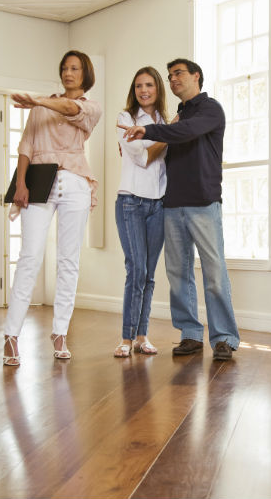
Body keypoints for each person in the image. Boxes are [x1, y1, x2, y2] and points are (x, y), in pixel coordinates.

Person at [121, 58, 240, 361]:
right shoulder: (174, 117)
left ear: (196, 77)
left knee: (214, 273)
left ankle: (224, 337)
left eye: (179, 74)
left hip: (204, 204)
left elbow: (185, 132)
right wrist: (155, 130)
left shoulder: (210, 110)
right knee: (178, 273)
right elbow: (161, 149)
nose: (173, 79)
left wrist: (148, 130)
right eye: (170, 76)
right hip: (172, 205)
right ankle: (189, 334)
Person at [2, 50, 102, 366]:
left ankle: (60, 332)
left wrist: (39, 101)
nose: (68, 72)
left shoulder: (90, 108)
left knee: (68, 260)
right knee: (29, 256)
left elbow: (71, 109)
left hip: (75, 183)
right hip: (39, 182)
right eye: (64, 67)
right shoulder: (40, 108)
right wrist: (20, 183)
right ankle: (10, 335)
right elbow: (26, 147)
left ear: (85, 74)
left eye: (74, 68)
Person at [113, 67, 169, 358]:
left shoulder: (164, 121)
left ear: (158, 88)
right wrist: (170, 136)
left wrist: (167, 130)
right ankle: (126, 337)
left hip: (159, 204)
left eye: (149, 85)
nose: (143, 90)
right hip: (131, 203)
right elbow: (145, 158)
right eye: (138, 86)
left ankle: (141, 336)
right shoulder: (126, 119)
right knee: (136, 271)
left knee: (149, 275)